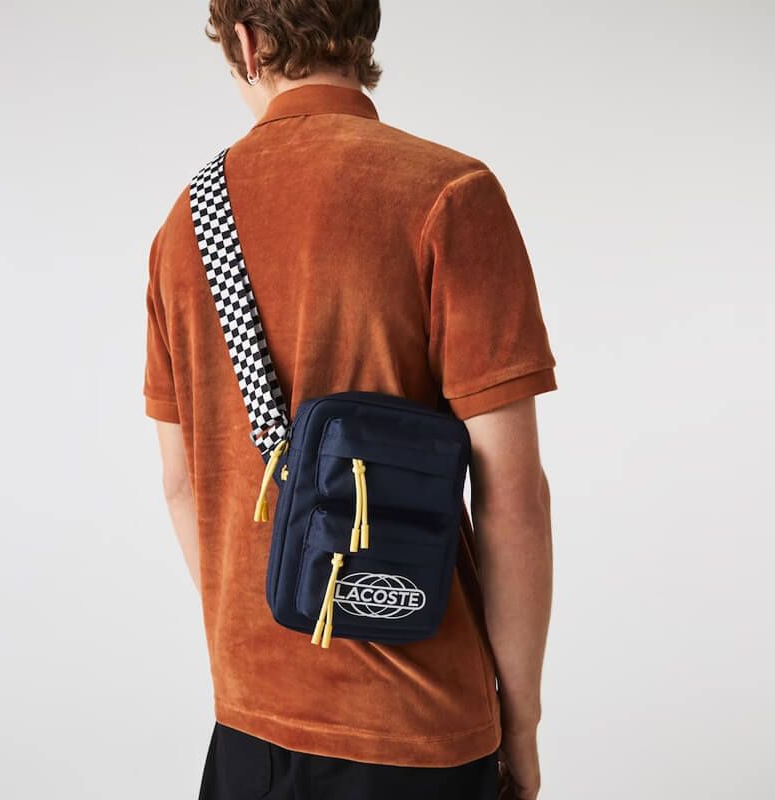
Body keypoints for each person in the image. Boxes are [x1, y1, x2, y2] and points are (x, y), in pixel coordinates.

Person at [143, 2, 556, 798]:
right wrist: (523, 721)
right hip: (419, 728)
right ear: (362, 31)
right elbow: (513, 495)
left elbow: (181, 481)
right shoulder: (450, 194)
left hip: (250, 727)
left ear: (247, 43)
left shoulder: (184, 227)